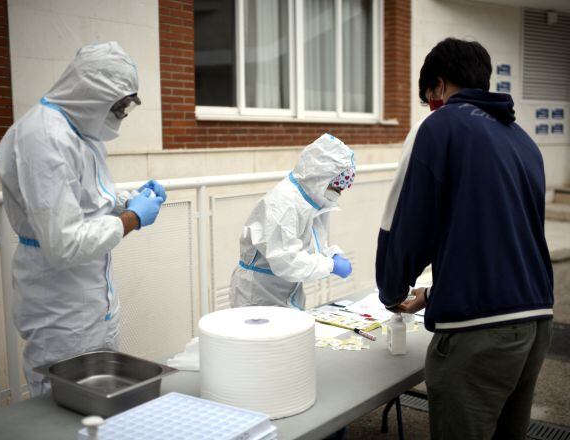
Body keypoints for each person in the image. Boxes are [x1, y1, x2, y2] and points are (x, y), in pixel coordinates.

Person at [375, 38, 553, 440]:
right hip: (535, 324)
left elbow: (402, 226)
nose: (430, 107)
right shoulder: (523, 141)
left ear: (438, 86)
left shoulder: (439, 127)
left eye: (428, 98)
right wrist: (434, 296)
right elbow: (503, 241)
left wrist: (391, 293)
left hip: (479, 336)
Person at [0, 42, 167, 396]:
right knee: (60, 408)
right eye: (118, 105)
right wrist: (132, 217)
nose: (120, 114)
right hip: (58, 306)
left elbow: (86, 200)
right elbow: (64, 243)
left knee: (98, 400)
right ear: (93, 93)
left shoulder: (81, 132)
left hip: (90, 297)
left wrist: (127, 200)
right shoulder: (43, 136)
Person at [230, 133, 354, 309]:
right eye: (336, 186)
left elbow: (308, 243)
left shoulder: (310, 200)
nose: (338, 192)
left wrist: (330, 254)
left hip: (284, 290)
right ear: (321, 177)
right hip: (259, 295)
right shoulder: (283, 203)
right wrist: (331, 265)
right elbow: (286, 260)